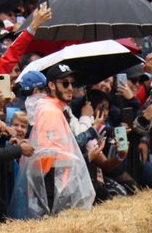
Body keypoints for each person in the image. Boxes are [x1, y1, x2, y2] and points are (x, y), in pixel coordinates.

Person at [13, 63, 94, 218]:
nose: (70, 88)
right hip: (53, 183)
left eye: (72, 83)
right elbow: (46, 153)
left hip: (58, 181)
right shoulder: (49, 111)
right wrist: (58, 186)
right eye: (65, 83)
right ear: (51, 85)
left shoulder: (56, 109)